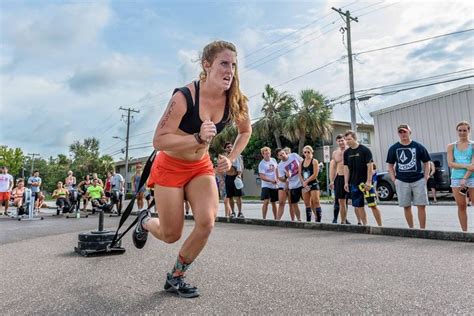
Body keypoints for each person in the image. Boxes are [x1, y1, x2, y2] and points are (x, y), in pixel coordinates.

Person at [132, 40, 251, 298]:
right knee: (170, 233)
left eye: (233, 64)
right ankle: (145, 221)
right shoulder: (185, 97)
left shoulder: (234, 100)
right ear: (206, 65)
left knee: (206, 223)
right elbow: (159, 140)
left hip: (200, 166)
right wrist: (196, 138)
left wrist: (231, 158)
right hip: (171, 166)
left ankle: (176, 276)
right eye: (223, 63)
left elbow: (245, 131)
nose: (230, 70)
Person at [387, 124, 430, 229]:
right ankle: (411, 229)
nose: (403, 134)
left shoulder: (418, 146)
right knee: (406, 206)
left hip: (418, 180)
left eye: (405, 132)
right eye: (400, 132)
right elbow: (390, 165)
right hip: (402, 181)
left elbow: (426, 162)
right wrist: (394, 179)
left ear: (409, 132)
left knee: (421, 206)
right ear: (398, 134)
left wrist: (426, 177)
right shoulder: (394, 148)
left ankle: (422, 230)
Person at [344, 130, 382, 226]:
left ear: (355, 138)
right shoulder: (346, 153)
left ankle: (380, 226)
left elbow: (370, 166)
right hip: (354, 183)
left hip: (366, 183)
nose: (347, 141)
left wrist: (369, 182)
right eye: (346, 140)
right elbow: (346, 168)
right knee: (359, 206)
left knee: (373, 205)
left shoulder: (365, 150)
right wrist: (346, 182)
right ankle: (365, 225)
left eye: (349, 139)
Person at [447, 121, 474, 232]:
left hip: (471, 177)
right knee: (461, 206)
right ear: (457, 131)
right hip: (456, 179)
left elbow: (473, 166)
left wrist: (465, 178)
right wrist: (465, 166)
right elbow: (450, 163)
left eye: (465, 130)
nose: (462, 132)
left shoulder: (473, 145)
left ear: (469, 131)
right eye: (460, 130)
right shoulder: (451, 146)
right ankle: (465, 232)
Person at [276, 148, 303, 221]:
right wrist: (286, 176)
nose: (283, 155)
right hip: (293, 186)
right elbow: (281, 178)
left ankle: (316, 219)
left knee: (308, 202)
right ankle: (299, 220)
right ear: (278, 157)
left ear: (285, 153)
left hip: (302, 182)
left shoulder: (294, 155)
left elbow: (303, 162)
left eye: (283, 153)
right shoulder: (280, 166)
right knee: (294, 203)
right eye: (280, 155)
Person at [329, 135, 350, 224]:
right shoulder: (335, 153)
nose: (341, 142)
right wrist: (332, 180)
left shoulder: (350, 150)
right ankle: (342, 221)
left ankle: (347, 219)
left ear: (345, 140)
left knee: (348, 201)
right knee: (340, 200)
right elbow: (333, 168)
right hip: (339, 177)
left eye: (342, 140)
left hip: (350, 177)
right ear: (337, 142)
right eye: (339, 141)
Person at [299, 145, 322, 222]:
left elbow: (315, 174)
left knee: (316, 201)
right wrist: (303, 182)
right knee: (307, 203)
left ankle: (318, 220)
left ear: (311, 152)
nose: (306, 153)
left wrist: (307, 181)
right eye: (305, 152)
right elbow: (300, 174)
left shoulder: (314, 161)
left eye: (308, 152)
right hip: (305, 185)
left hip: (313, 184)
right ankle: (308, 221)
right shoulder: (301, 162)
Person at [223, 142, 244, 218]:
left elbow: (240, 167)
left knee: (238, 196)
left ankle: (240, 212)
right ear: (225, 149)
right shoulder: (224, 157)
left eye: (231, 147)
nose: (230, 148)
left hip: (236, 177)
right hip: (228, 178)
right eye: (228, 147)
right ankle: (233, 212)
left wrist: (239, 175)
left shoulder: (237, 156)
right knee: (230, 196)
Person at [258, 146, 278, 219]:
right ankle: (264, 218)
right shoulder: (261, 164)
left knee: (274, 203)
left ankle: (276, 218)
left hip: (274, 185)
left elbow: (277, 170)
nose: (268, 155)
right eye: (266, 154)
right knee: (266, 202)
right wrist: (271, 180)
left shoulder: (274, 160)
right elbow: (262, 176)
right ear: (263, 154)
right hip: (266, 185)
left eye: (269, 153)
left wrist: (277, 179)